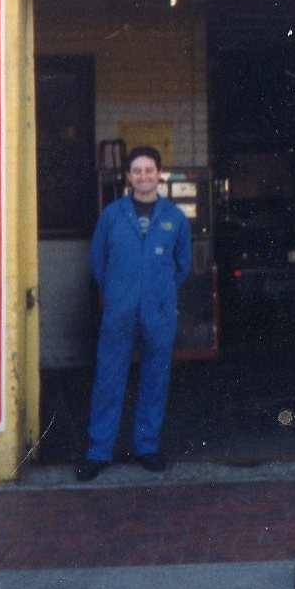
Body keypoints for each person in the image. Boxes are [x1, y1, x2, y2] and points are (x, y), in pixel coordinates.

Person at [79, 145, 191, 479]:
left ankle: (147, 447)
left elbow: (182, 265)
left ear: (159, 174)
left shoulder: (174, 217)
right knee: (109, 378)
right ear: (128, 177)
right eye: (137, 171)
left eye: (149, 170)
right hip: (119, 310)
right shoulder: (112, 215)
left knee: (155, 378)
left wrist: (157, 292)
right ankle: (99, 452)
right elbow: (97, 261)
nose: (143, 176)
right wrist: (118, 291)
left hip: (158, 311)